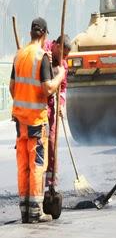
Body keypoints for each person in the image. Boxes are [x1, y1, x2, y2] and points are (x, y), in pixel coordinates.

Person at [9, 17, 65, 224]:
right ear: (44, 35)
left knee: (22, 164)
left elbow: (12, 88)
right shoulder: (41, 57)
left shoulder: (19, 55)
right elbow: (47, 88)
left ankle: (25, 209)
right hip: (36, 121)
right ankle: (35, 210)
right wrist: (60, 75)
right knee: (37, 165)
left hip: (20, 121)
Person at [44, 34, 71, 188]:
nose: (65, 58)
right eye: (64, 54)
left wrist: (60, 103)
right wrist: (43, 57)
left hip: (50, 107)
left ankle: (51, 180)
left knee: (52, 142)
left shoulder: (63, 65)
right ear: (58, 46)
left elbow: (63, 88)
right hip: (38, 104)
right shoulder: (44, 48)